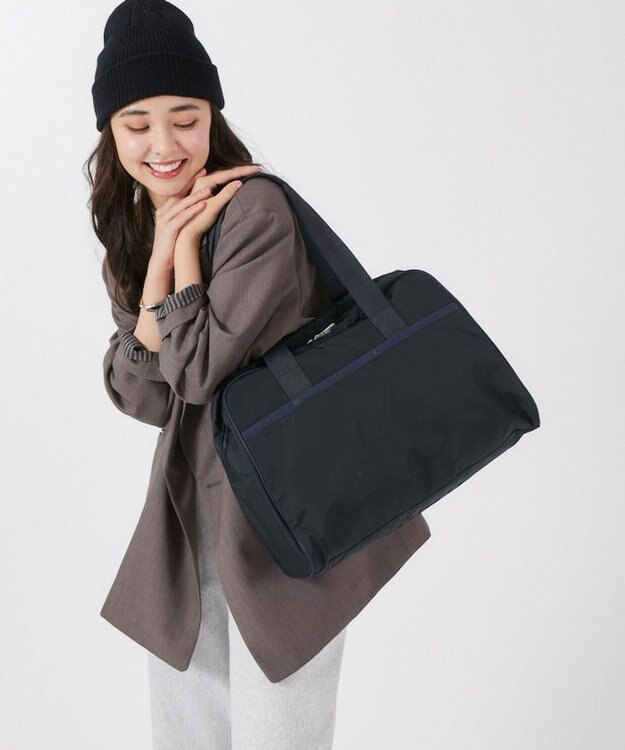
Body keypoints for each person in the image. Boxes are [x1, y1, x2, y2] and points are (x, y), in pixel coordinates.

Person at [87, 1, 432, 748]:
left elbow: (196, 374)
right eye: (136, 124)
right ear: (110, 132)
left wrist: (181, 257)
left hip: (288, 517)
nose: (163, 144)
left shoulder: (255, 211)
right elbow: (142, 395)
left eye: (184, 117)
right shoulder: (141, 227)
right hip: (191, 524)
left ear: (212, 115)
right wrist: (159, 258)